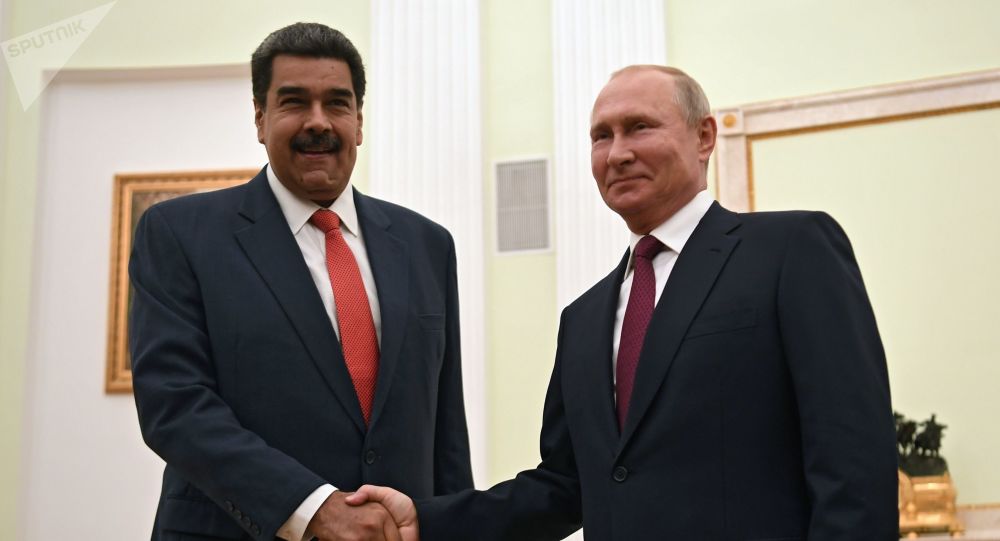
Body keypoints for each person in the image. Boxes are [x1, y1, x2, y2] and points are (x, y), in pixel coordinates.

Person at [348, 65, 899, 540]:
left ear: (704, 136)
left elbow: (852, 463)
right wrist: (425, 521)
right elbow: (565, 485)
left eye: (639, 127)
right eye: (601, 136)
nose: (618, 153)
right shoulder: (584, 319)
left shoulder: (791, 251)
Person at [129, 22, 473, 541]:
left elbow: (446, 431)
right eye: (294, 102)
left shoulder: (427, 245)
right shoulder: (180, 234)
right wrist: (316, 509)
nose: (318, 122)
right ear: (260, 118)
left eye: (337, 103)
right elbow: (174, 406)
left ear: (359, 121)